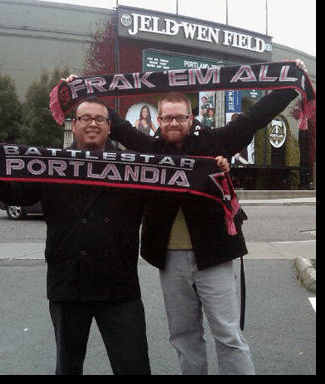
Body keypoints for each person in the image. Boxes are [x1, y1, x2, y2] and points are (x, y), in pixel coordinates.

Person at [64, 59, 307, 375]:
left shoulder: (217, 143)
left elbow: (255, 117)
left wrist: (290, 84)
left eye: (180, 117)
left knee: (229, 336)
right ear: (158, 121)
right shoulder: (148, 149)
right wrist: (81, 90)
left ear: (191, 118)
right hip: (170, 259)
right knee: (184, 337)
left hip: (216, 256)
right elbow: (117, 124)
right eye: (167, 118)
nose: (174, 123)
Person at [0, 97, 232, 375]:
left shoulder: (135, 167)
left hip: (118, 286)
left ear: (110, 127)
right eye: (85, 118)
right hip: (67, 283)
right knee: (68, 367)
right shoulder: (50, 164)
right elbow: (19, 195)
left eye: (99, 119)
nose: (92, 124)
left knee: (134, 367)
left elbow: (174, 184)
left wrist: (212, 171)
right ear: (74, 125)